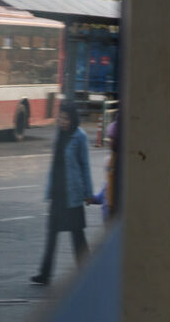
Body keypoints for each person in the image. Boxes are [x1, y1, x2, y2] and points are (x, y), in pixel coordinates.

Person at [32, 103, 95, 286]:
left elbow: (85, 166)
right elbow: (55, 164)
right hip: (58, 193)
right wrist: (49, 190)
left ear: (73, 119)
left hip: (73, 194)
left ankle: (87, 274)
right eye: (60, 117)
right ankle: (45, 274)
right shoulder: (59, 135)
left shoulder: (80, 137)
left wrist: (88, 193)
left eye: (66, 118)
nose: (62, 121)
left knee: (77, 236)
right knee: (51, 234)